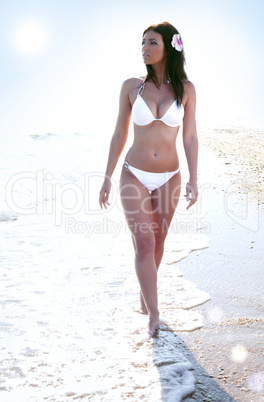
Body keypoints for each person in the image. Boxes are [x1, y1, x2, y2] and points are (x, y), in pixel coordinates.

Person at [99, 21, 198, 337]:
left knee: (158, 242)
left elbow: (191, 136)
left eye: (152, 42)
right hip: (134, 174)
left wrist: (194, 178)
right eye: (142, 42)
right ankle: (154, 315)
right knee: (144, 242)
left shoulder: (186, 89)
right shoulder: (131, 87)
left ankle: (145, 300)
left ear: (169, 46)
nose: (144, 47)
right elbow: (119, 133)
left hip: (170, 176)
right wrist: (106, 177)